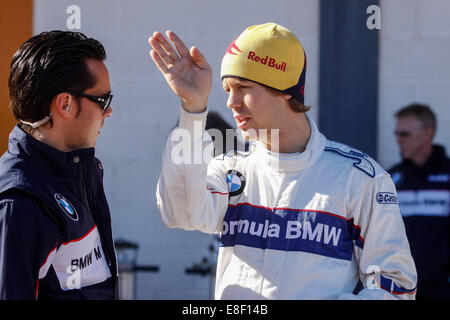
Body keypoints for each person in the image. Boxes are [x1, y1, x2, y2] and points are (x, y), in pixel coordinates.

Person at [150, 22, 417, 299]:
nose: (231, 102)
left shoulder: (360, 179)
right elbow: (180, 214)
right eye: (228, 89)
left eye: (243, 87)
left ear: (286, 88)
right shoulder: (231, 167)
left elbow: (395, 288)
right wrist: (193, 110)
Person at [0, 31, 118, 299]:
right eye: (103, 101)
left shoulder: (80, 170)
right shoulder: (20, 202)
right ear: (65, 103)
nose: (109, 112)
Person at [389, 103, 450, 300]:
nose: (398, 140)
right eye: (397, 134)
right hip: (399, 288)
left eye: (404, 134)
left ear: (427, 133)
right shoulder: (391, 178)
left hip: (441, 288)